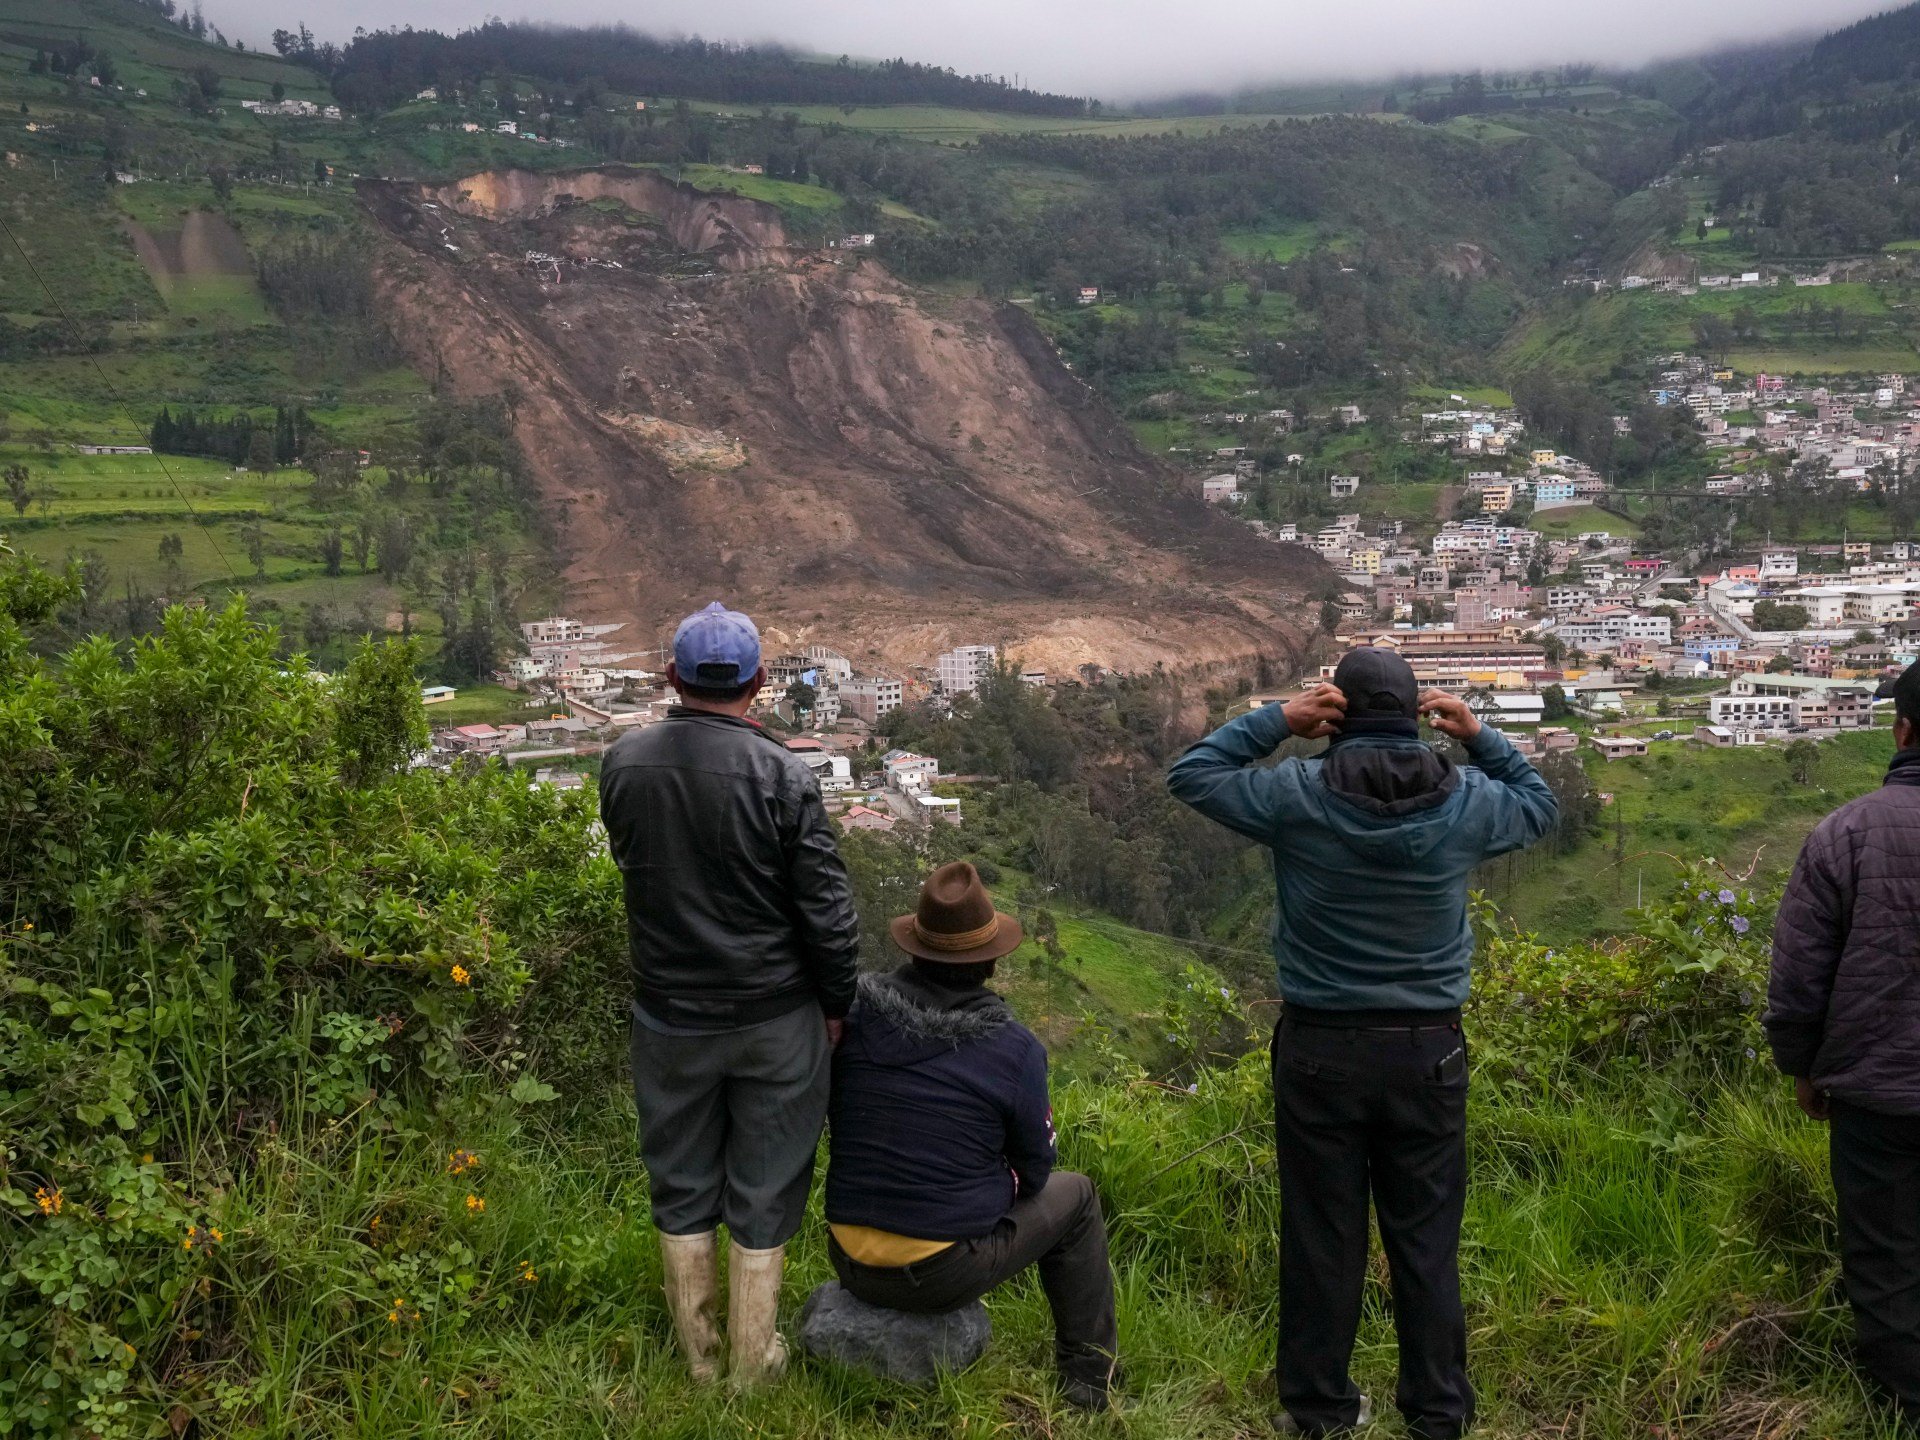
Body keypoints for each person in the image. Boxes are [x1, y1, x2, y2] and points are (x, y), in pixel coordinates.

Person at [1167, 647, 1557, 1440]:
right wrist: (1482, 736)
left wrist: (1278, 720)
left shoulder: (1294, 795)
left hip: (1321, 1050)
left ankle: (1318, 1413)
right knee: (1425, 1241)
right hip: (1428, 1052)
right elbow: (1541, 805)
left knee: (1322, 1239)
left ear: (1335, 709)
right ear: (1418, 712)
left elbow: (1194, 774)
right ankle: (1439, 1415)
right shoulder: (1470, 803)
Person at [599, 601, 860, 1387]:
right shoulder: (782, 774)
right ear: (756, 684)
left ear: (673, 678)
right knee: (768, 1180)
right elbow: (827, 911)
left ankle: (701, 1362)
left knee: (679, 1179)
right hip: (775, 1017)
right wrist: (837, 1003)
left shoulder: (625, 763)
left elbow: (633, 865)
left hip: (669, 1016)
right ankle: (754, 1363)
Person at [822, 861, 1122, 1411]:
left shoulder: (855, 1017)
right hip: (937, 1274)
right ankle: (1087, 1383)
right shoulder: (1014, 1049)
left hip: (846, 1258)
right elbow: (1035, 1170)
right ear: (990, 961)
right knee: (1075, 1196)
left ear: (915, 947)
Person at [1767, 658, 1920, 1430]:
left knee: (1885, 1253)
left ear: (1901, 730)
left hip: (1874, 1092)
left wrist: (1802, 1066)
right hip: (1876, 1083)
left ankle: (1903, 1406)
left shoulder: (1846, 833)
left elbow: (1800, 971)